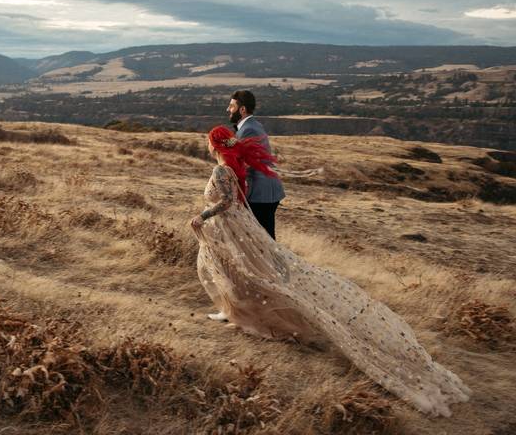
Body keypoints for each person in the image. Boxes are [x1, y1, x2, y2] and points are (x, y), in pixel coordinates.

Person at [189, 126, 471, 418]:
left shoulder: (222, 171)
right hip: (234, 230)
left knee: (248, 275)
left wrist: (202, 216)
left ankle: (255, 316)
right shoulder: (231, 168)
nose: (206, 146)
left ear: (214, 144)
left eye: (207, 142)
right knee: (241, 274)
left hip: (230, 229)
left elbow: (225, 202)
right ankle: (245, 315)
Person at [226, 90, 283, 240]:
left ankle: (274, 264)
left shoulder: (248, 129)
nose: (228, 110)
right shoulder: (253, 124)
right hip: (266, 190)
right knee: (263, 239)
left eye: (231, 106)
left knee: (263, 241)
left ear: (242, 109)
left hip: (260, 193)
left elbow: (244, 164)